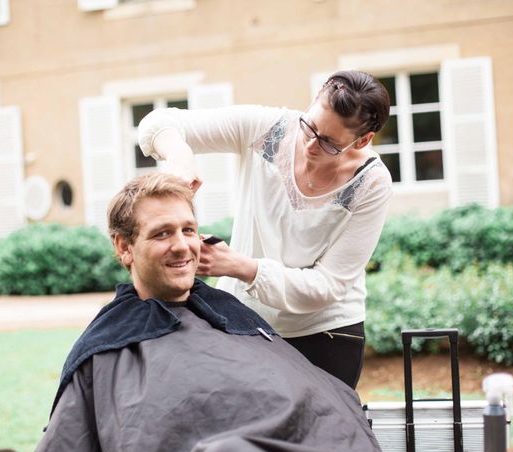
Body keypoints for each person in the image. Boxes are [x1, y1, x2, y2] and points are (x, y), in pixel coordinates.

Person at [27, 173, 387, 452]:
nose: (183, 246)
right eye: (162, 234)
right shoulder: (106, 346)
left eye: (188, 230)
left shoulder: (231, 315)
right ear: (124, 247)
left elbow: (319, 405)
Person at [137, 70, 392, 389]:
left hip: (326, 334)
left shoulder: (371, 184)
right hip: (244, 324)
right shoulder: (265, 128)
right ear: (311, 104)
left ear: (363, 140)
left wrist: (240, 267)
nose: (311, 144)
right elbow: (156, 125)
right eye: (309, 125)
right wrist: (180, 155)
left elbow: (328, 285)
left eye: (329, 142)